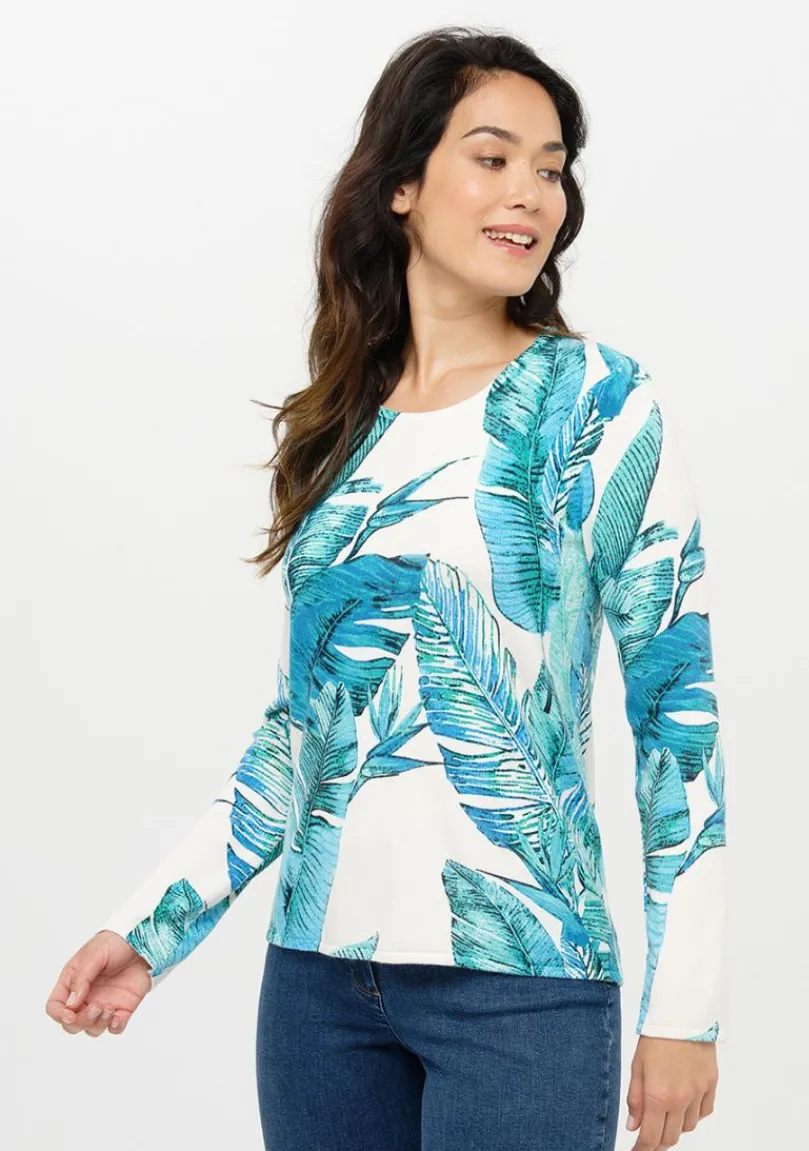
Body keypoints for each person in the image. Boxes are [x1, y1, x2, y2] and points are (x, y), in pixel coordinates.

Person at [45, 25, 728, 1151]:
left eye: (552, 168)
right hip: (317, 985)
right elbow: (301, 732)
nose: (532, 194)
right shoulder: (337, 426)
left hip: (521, 983)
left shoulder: (599, 402)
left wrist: (685, 1007)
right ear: (402, 184)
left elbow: (677, 720)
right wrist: (154, 925)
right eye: (493, 157)